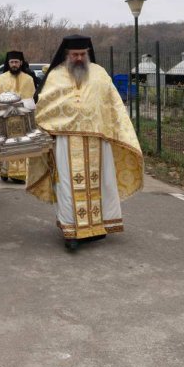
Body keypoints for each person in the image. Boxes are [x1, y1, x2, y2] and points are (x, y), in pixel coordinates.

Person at [27, 36, 143, 250]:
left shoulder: (100, 73)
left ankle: (96, 227)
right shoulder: (55, 75)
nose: (79, 58)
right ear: (67, 55)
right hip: (65, 141)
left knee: (101, 184)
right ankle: (71, 231)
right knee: (68, 186)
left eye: (82, 54)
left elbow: (113, 104)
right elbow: (44, 104)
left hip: (98, 140)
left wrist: (118, 130)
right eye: (75, 55)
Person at [0, 51, 40, 184]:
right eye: (12, 62)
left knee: (22, 144)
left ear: (21, 63)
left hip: (22, 118)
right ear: (8, 63)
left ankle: (20, 174)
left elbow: (31, 98)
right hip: (5, 118)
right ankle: (5, 171)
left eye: (16, 62)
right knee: (7, 145)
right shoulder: (1, 78)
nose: (14, 65)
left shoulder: (28, 79)